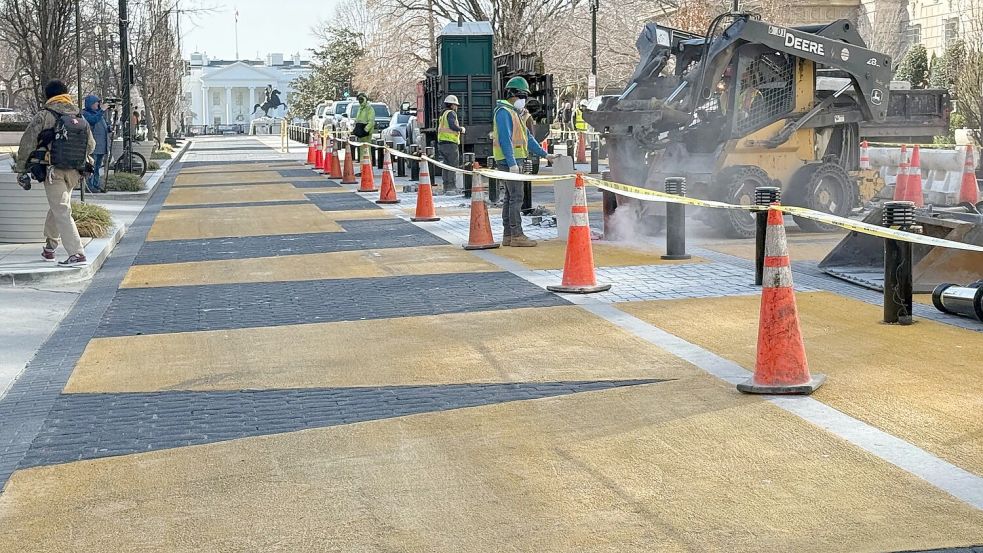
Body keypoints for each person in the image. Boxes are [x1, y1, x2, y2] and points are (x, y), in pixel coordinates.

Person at [15, 79, 95, 266]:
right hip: (76, 171)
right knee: (59, 205)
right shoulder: (79, 116)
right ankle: (50, 247)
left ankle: (77, 253)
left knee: (61, 209)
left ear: (48, 95)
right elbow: (91, 146)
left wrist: (21, 169)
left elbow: (27, 143)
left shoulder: (44, 115)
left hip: (53, 171)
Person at [492, 76, 554, 248]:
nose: (524, 100)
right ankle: (516, 235)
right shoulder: (504, 112)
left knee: (510, 198)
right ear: (515, 94)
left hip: (512, 160)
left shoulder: (514, 113)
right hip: (509, 161)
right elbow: (505, 139)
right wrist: (512, 163)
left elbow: (527, 137)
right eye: (523, 96)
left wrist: (545, 155)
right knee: (516, 198)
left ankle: (509, 235)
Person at [437, 95, 465, 195]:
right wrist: (461, 129)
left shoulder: (443, 113)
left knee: (446, 165)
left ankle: (446, 186)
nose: (456, 107)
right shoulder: (451, 113)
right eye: (456, 105)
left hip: (442, 143)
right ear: (452, 105)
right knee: (453, 165)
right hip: (450, 143)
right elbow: (452, 125)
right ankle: (451, 187)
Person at [82, 95, 109, 193]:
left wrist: (109, 128)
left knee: (97, 167)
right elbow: (93, 121)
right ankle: (89, 185)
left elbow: (104, 124)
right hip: (93, 145)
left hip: (102, 145)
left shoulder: (99, 114)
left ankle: (96, 184)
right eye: (96, 103)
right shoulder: (85, 114)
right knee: (91, 166)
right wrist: (101, 111)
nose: (98, 104)